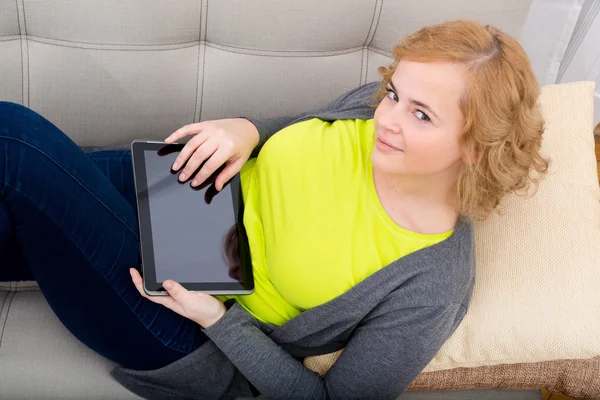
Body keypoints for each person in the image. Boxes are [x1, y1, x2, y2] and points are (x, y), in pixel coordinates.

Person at [0, 20, 549, 399]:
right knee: (15, 204)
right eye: (394, 94)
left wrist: (216, 317)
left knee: (18, 149)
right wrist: (246, 131)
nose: (388, 118)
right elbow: (298, 126)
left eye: (422, 115)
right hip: (191, 191)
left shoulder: (432, 281)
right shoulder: (373, 110)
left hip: (185, 323)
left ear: (478, 147)